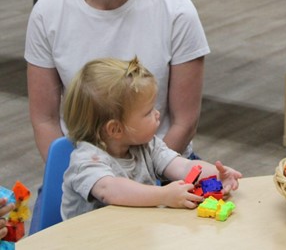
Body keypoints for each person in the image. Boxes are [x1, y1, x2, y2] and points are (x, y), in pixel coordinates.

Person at [25, 0, 209, 232]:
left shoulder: (177, 11)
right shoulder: (49, 14)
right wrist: (83, 181)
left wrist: (147, 187)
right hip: (85, 175)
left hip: (162, 169)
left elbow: (184, 121)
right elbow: (45, 120)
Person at [61, 57, 242, 220]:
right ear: (115, 129)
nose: (157, 114)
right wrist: (163, 195)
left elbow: (184, 166)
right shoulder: (86, 160)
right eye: (148, 112)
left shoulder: (146, 145)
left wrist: (215, 176)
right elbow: (109, 190)